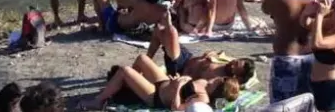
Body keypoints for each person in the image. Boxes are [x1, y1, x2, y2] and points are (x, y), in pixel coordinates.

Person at [262, 0, 321, 103]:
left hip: (287, 58)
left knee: (282, 104)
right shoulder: (320, 4)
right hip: (311, 57)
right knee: (307, 103)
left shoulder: (283, 4)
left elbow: (265, 6)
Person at [144, 8, 257, 82]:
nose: (232, 65)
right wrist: (211, 55)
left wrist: (182, 78)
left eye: (234, 69)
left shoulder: (217, 79)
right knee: (158, 30)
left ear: (236, 77)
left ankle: (169, 26)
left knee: (171, 32)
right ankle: (147, 60)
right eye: (235, 62)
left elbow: (193, 82)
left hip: (180, 68)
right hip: (187, 57)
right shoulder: (227, 63)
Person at [88, 63, 238, 111]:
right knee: (142, 59)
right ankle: (126, 86)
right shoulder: (205, 82)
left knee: (125, 70)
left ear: (220, 85)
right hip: (165, 82)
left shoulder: (202, 99)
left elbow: (176, 108)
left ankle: (98, 100)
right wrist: (179, 79)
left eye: (223, 79)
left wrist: (178, 87)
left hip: (156, 96)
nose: (220, 76)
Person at [95, 0, 168, 35]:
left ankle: (101, 26)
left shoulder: (138, 2)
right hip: (131, 30)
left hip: (114, 24)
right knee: (123, 10)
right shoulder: (162, 10)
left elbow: (120, 1)